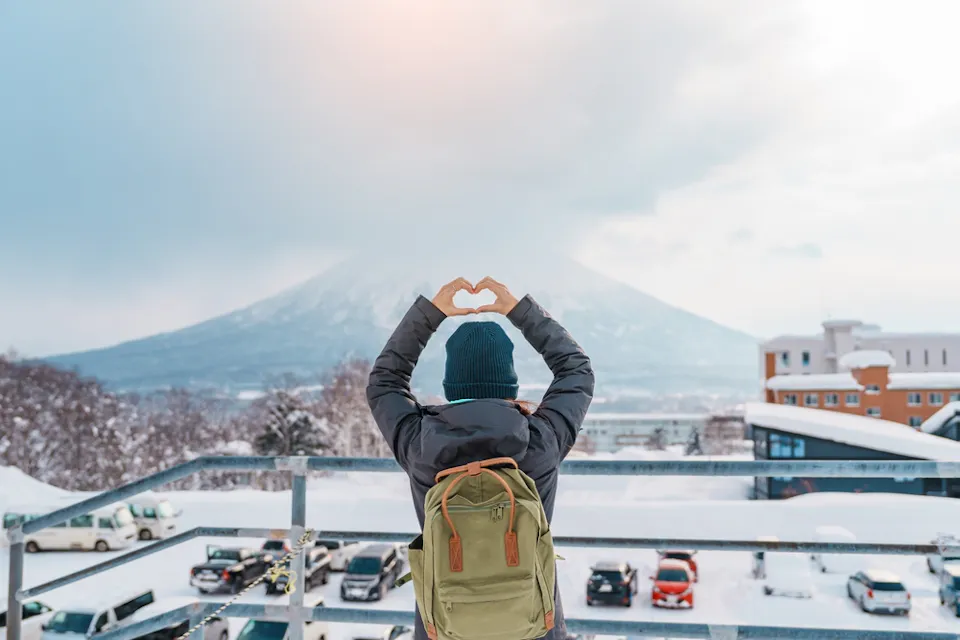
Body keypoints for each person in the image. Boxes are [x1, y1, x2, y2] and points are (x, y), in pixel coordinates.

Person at [366, 276, 595, 640]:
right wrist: (518, 310)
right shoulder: (541, 440)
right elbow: (576, 370)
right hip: (533, 622)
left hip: (444, 624)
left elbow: (384, 381)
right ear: (510, 384)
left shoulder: (420, 443)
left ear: (449, 385)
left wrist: (432, 312)